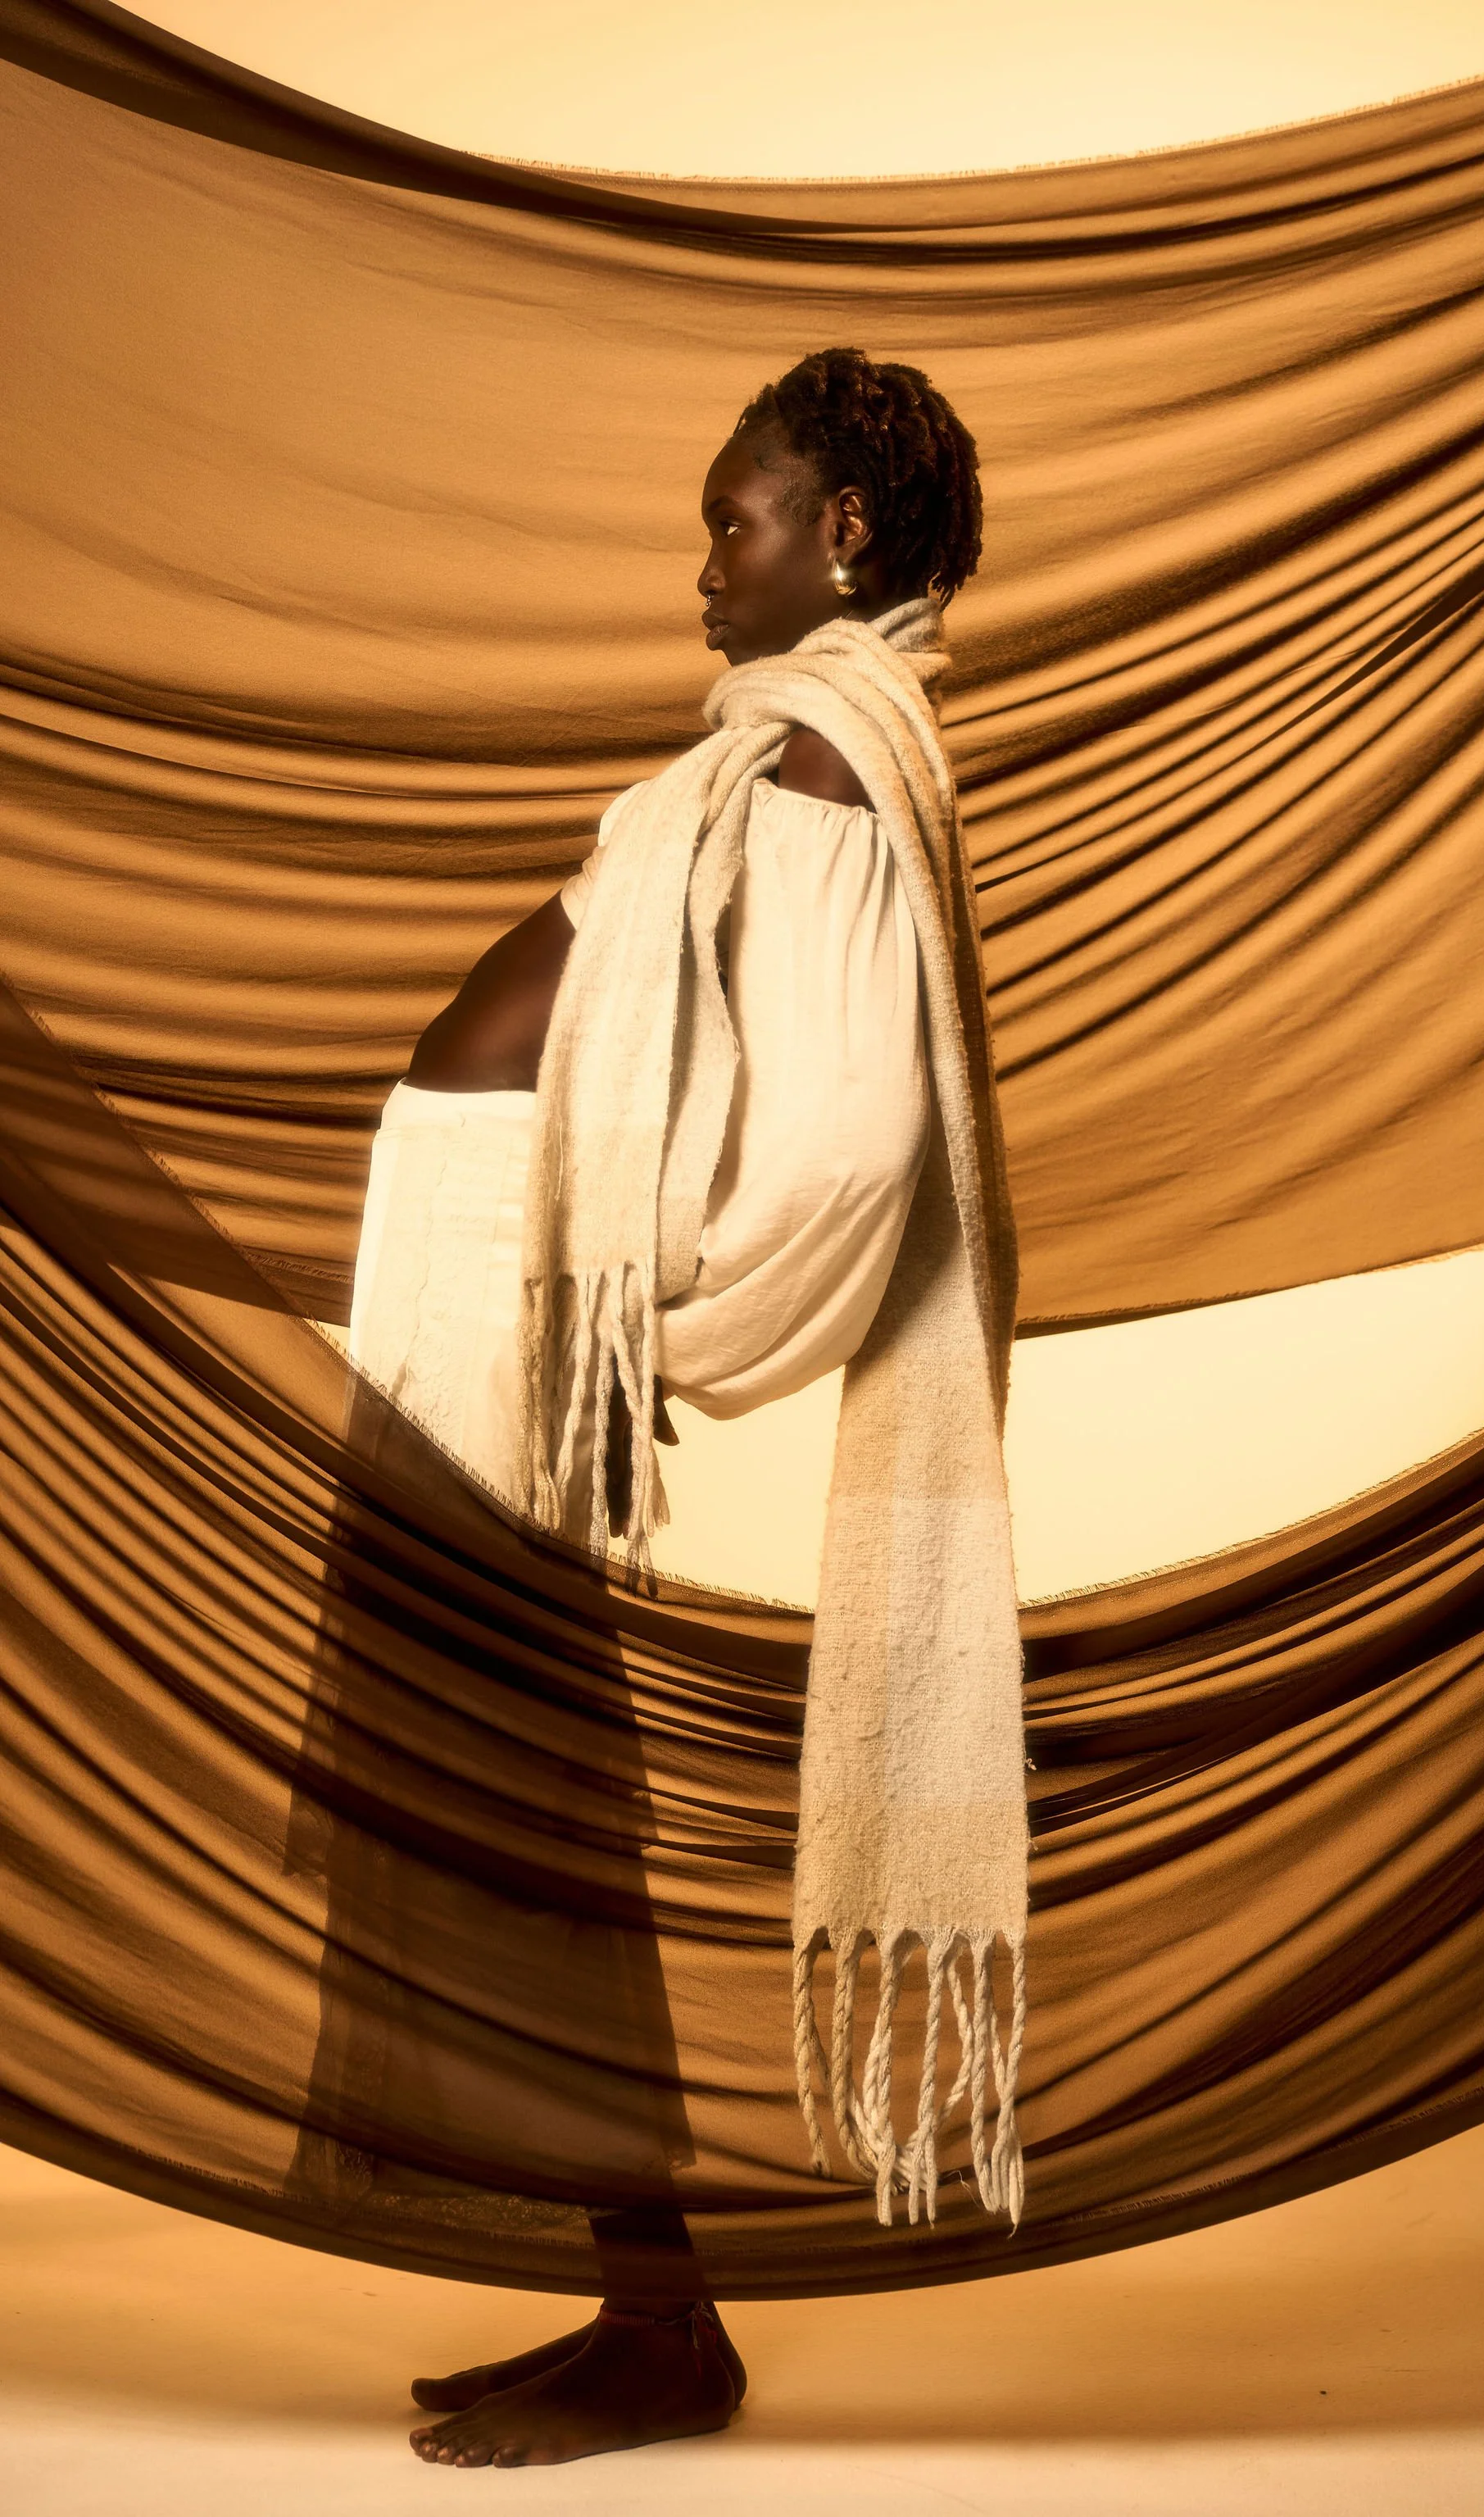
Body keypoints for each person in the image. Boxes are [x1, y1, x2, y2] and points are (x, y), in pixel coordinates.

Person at [345, 346, 994, 2469]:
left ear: (849, 537)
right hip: (482, 1314)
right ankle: (641, 2306)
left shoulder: (831, 763)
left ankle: (661, 2326)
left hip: (521, 1339)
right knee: (504, 1796)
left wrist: (639, 1299)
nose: (698, 564)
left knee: (524, 1814)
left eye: (734, 520)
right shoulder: (779, 749)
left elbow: (841, 1137)